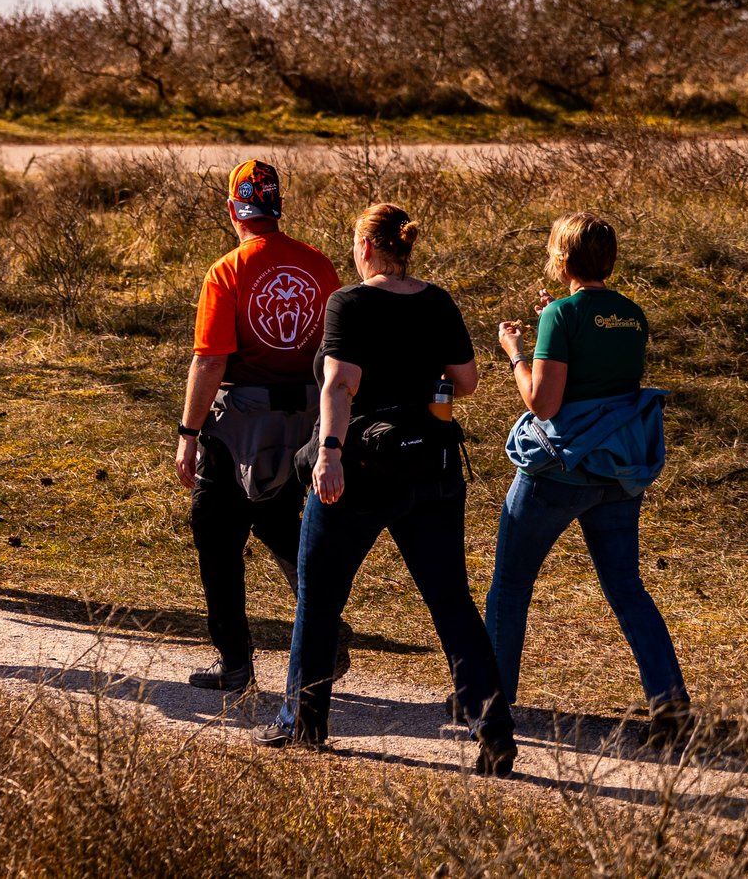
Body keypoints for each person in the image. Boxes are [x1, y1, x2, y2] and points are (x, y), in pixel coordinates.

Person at [269, 203, 517, 777]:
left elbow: (340, 382)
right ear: (406, 248)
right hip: (431, 470)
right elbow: (468, 382)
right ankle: (495, 731)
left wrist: (327, 455)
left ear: (363, 249)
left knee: (321, 596)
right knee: (451, 602)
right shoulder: (437, 301)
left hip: (358, 469)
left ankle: (303, 723)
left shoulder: (348, 303)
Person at [484, 212, 689, 744]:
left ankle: (490, 704)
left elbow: (543, 402)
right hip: (618, 472)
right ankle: (669, 704)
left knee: (509, 584)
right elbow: (602, 377)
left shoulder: (561, 318)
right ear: (609, 259)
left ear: (562, 259)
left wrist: (516, 353)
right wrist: (558, 323)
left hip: (559, 472)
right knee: (626, 586)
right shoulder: (632, 315)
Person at [175, 159, 341, 694]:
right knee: (280, 526)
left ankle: (236, 662)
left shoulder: (226, 271)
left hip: (235, 428)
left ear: (233, 209)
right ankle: (325, 632)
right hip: (307, 424)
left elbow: (210, 362)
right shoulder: (320, 267)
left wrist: (188, 434)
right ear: (277, 207)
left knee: (216, 535)